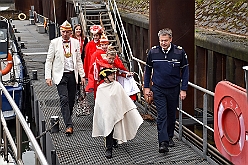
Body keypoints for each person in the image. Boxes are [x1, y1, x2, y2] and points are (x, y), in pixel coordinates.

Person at [143, 28, 189, 153]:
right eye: (161, 41)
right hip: (158, 88)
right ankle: (162, 142)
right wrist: (146, 87)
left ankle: (169, 136)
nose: (163, 43)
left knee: (171, 114)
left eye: (166, 41)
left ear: (171, 40)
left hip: (174, 88)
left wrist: (183, 89)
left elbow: (185, 71)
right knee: (162, 115)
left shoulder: (179, 52)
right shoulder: (153, 52)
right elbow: (147, 70)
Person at [45, 20, 86, 135]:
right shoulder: (54, 43)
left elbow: (78, 60)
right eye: (63, 32)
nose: (65, 34)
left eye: (67, 32)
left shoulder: (75, 42)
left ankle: (68, 116)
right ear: (60, 31)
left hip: (72, 74)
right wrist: (48, 76)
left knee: (71, 99)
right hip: (60, 75)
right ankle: (69, 125)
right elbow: (49, 61)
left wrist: (82, 75)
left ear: (71, 33)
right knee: (64, 98)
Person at [92, 68, 143, 159]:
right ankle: (109, 148)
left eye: (113, 74)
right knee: (108, 126)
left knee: (117, 124)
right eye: (111, 74)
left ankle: (115, 139)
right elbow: (99, 102)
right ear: (105, 77)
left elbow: (123, 98)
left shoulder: (117, 85)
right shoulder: (101, 88)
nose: (113, 76)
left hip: (116, 109)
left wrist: (128, 108)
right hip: (107, 112)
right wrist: (104, 112)